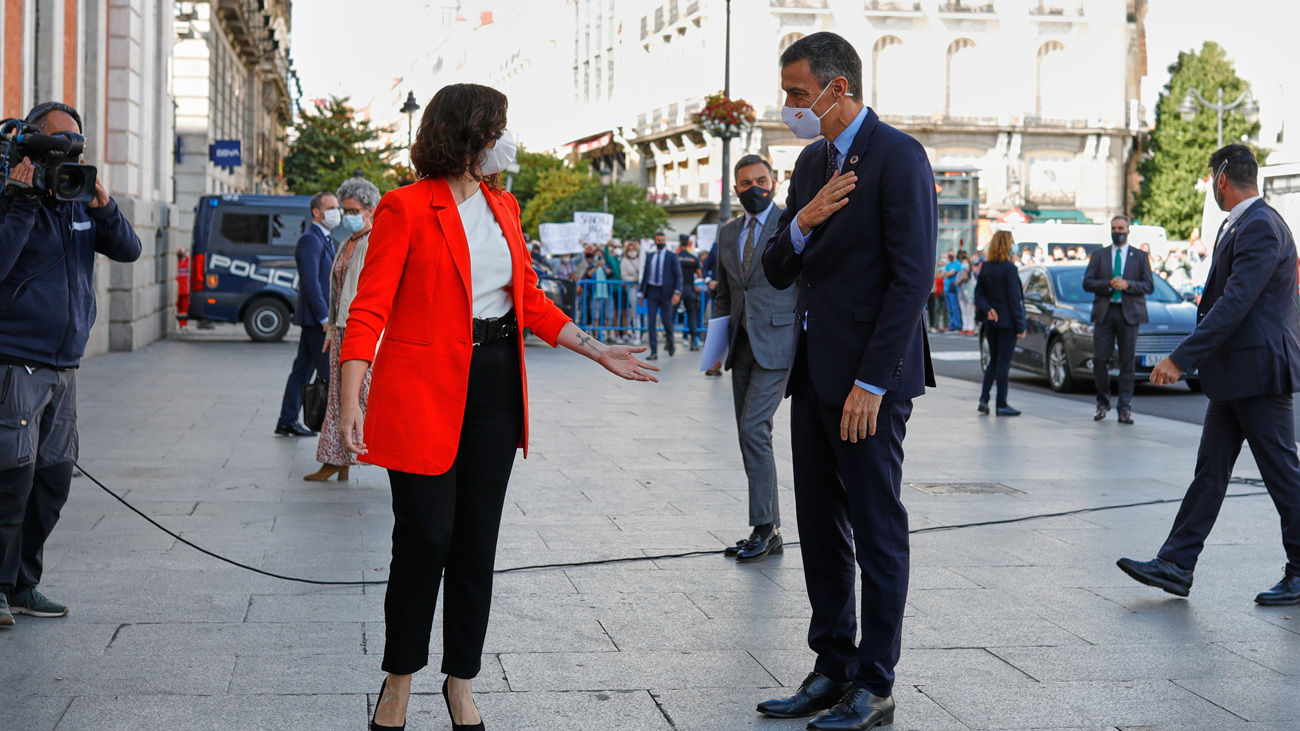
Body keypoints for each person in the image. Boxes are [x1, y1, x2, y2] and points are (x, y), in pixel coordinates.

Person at [338, 84, 658, 731]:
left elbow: (530, 300)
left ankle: (461, 681)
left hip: (494, 385)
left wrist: (597, 349)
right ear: (469, 132)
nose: (505, 140)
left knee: (475, 541)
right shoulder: (404, 207)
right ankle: (398, 679)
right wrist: (350, 395)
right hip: (422, 387)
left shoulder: (504, 206)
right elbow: (369, 308)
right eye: (498, 127)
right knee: (425, 536)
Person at [759, 33, 936, 730]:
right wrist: (803, 220)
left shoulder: (898, 156)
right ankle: (831, 665)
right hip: (813, 372)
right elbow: (777, 266)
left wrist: (873, 382)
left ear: (839, 88)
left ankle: (875, 682)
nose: (790, 106)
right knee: (819, 527)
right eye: (787, 93)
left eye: (798, 93)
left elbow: (911, 279)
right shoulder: (810, 163)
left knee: (876, 528)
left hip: (868, 382)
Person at [1118, 144, 1300, 606]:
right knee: (1210, 472)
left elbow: (1235, 303)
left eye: (1210, 181)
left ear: (1221, 179)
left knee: (1283, 475)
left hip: (1258, 372)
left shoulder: (1260, 225)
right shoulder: (1241, 223)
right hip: (1237, 372)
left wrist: (1181, 359)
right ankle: (1176, 564)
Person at [0, 101, 142, 626]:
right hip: (16, 361)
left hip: (65, 367)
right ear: (33, 140)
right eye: (60, 141)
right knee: (10, 480)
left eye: (76, 143)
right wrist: (20, 203)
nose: (70, 151)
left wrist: (104, 206)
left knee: (53, 479)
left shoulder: (77, 196)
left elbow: (129, 249)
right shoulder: (11, 197)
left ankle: (23, 584)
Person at [712, 154, 799, 563]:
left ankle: (765, 528)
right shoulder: (728, 232)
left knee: (754, 430)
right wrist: (715, 348)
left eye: (761, 181)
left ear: (774, 182)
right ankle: (769, 528)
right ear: (736, 189)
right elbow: (724, 293)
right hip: (740, 345)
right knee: (748, 434)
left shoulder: (791, 223)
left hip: (777, 342)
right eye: (746, 183)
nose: (754, 189)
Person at [304, 178, 380, 482]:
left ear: (371, 210)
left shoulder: (374, 242)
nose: (347, 216)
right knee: (338, 397)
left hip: (361, 330)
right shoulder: (347, 243)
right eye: (345, 210)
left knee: (364, 396)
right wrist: (331, 331)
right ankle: (337, 460)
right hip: (341, 329)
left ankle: (381, 454)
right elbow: (337, 291)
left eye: (353, 210)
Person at [275, 191, 339, 437]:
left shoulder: (325, 238)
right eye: (331, 208)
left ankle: (287, 420)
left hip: (317, 319)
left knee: (302, 370)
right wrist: (324, 317)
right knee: (328, 372)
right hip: (316, 320)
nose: (336, 212)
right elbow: (311, 282)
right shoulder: (310, 239)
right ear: (316, 212)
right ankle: (326, 424)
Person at [1083, 215, 1153, 425]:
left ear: (1128, 230)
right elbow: (1087, 282)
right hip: (1105, 313)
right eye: (1114, 228)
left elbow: (1149, 285)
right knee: (1100, 360)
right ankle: (1103, 403)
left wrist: (1128, 285)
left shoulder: (1139, 256)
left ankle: (1124, 408)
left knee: (1127, 362)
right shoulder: (1099, 255)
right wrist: (1108, 284)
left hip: (1129, 314)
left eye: (1121, 228)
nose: (1117, 231)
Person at [974, 232, 1026, 416]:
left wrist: (988, 308)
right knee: (1003, 363)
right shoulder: (1009, 268)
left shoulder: (986, 267)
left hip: (992, 322)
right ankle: (1001, 403)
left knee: (993, 361)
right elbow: (1015, 300)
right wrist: (1021, 326)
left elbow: (978, 294)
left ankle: (984, 399)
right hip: (1007, 323)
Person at [640, 232, 682, 360]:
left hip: (666, 293)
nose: (660, 242)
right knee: (651, 321)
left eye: (662, 240)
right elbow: (645, 275)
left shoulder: (672, 256)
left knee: (666, 321)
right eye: (658, 240)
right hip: (652, 292)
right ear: (655, 241)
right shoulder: (650, 256)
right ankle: (653, 351)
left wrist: (677, 292)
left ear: (665, 240)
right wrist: (640, 293)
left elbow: (678, 275)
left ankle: (670, 342)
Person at [676, 237, 703, 351]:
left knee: (670, 315)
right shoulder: (693, 258)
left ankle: (669, 342)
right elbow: (700, 274)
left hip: (677, 290)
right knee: (692, 316)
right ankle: (693, 342)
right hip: (689, 289)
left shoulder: (675, 256)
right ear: (688, 244)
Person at [620, 239, 643, 344]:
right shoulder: (624, 261)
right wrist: (633, 279)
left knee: (643, 312)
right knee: (635, 312)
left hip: (642, 288)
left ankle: (640, 333)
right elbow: (623, 276)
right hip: (632, 288)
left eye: (633, 249)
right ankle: (637, 335)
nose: (632, 251)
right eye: (630, 249)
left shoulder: (641, 260)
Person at [956, 250, 976, 335]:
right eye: (963, 263)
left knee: (970, 312)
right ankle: (965, 327)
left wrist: (967, 275)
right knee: (963, 312)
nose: (964, 264)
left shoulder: (971, 272)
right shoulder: (960, 273)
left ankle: (971, 327)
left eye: (966, 263)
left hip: (970, 295)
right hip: (962, 295)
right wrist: (961, 278)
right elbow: (956, 283)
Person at [941, 252, 963, 332]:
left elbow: (951, 273)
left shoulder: (957, 263)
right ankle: (952, 325)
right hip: (947, 289)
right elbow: (942, 275)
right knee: (950, 308)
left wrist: (946, 273)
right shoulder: (948, 264)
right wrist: (947, 273)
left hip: (953, 289)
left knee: (954, 307)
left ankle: (957, 325)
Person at [176, 248, 191, 327]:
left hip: (186, 290)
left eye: (181, 252)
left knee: (184, 308)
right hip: (178, 291)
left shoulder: (188, 262)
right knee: (179, 307)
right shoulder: (177, 263)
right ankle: (180, 324)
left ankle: (183, 324)